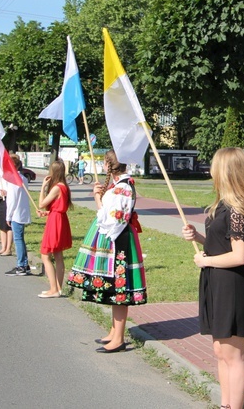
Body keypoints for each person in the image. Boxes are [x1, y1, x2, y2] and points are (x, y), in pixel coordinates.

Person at [181, 147, 244, 409]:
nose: (210, 171)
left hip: (232, 285)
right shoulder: (222, 206)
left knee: (233, 354)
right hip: (217, 282)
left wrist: (205, 261)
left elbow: (239, 256)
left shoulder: (237, 211)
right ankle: (226, 404)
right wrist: (200, 239)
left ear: (226, 171)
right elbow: (224, 246)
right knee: (220, 351)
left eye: (214, 167)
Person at [67, 150, 147, 353]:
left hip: (117, 241)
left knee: (119, 287)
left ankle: (119, 338)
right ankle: (114, 331)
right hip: (115, 237)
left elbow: (112, 219)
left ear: (107, 165)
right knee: (112, 286)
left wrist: (97, 198)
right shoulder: (119, 186)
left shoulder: (122, 188)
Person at [36, 159, 73, 298]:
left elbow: (41, 203)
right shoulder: (64, 186)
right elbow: (59, 206)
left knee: (45, 255)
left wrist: (43, 187)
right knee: (58, 255)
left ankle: (53, 289)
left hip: (55, 222)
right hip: (60, 218)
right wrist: (48, 212)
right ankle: (58, 288)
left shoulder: (57, 187)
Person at [5, 155, 32, 276]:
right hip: (22, 211)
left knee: (18, 239)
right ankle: (24, 264)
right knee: (20, 238)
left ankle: (21, 265)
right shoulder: (23, 178)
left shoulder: (13, 180)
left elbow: (12, 200)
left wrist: (8, 216)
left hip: (16, 213)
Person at [0, 172, 12, 256]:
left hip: (7, 201)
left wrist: (4, 194)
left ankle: (8, 248)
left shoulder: (9, 177)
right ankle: (3, 247)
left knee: (8, 226)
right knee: (2, 225)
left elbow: (12, 191)